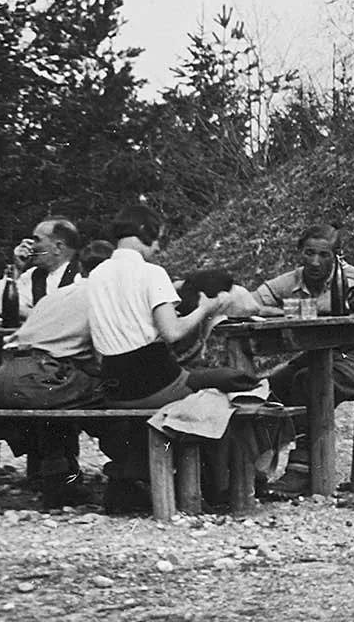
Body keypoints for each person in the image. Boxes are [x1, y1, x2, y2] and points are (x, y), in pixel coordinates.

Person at [87, 202, 253, 512]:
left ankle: (135, 477)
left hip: (114, 387)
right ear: (144, 233)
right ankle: (222, 486)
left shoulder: (96, 274)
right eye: (158, 237)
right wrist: (205, 308)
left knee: (210, 383)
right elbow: (172, 332)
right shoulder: (151, 273)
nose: (159, 246)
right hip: (154, 382)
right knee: (234, 385)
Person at [252, 224, 354, 497]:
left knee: (308, 382)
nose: (314, 262)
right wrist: (283, 310)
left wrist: (285, 311)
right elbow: (248, 303)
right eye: (309, 253)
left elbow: (335, 311)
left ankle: (302, 470)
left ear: (336, 256)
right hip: (316, 358)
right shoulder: (293, 279)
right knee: (269, 386)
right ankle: (256, 467)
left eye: (323, 255)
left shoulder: (348, 277)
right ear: (300, 253)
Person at [0, 269, 102, 506]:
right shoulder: (102, 296)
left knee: (62, 395)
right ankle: (128, 476)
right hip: (37, 377)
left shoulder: (56, 296)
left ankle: (58, 474)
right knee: (109, 390)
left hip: (7, 370)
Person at [10, 217, 84, 319]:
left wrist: (32, 314)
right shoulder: (32, 275)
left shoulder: (82, 276)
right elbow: (7, 308)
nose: (31, 247)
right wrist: (17, 269)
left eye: (37, 240)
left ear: (58, 247)